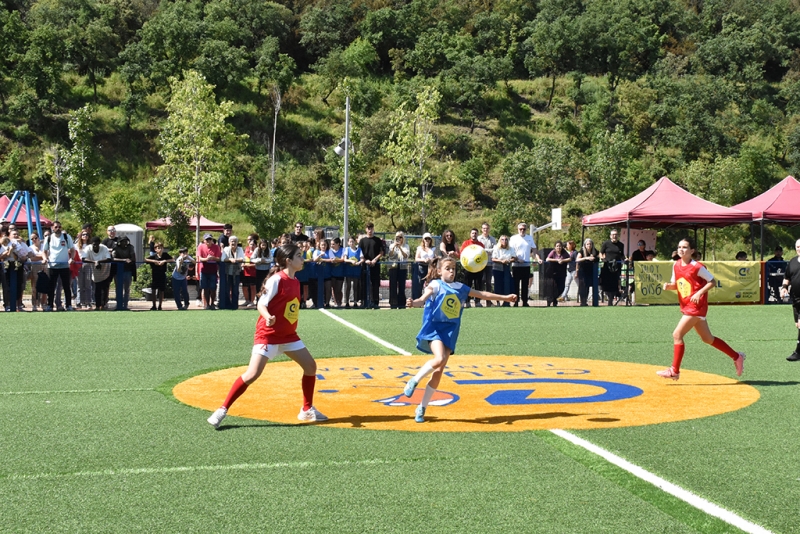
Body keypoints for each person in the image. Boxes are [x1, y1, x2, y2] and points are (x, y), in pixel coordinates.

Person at [207, 244, 328, 429]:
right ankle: (222, 409)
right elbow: (260, 304)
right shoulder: (276, 280)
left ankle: (306, 409)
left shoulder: (295, 281)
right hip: (268, 335)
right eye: (298, 255)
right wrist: (268, 316)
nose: (302, 258)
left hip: (288, 336)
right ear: (288, 260)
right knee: (252, 374)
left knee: (311, 367)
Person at [402, 257, 517, 423]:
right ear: (440, 271)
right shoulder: (435, 284)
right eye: (448, 268)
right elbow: (423, 298)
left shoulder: (460, 288)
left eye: (454, 269)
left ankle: (422, 407)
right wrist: (415, 303)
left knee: (439, 371)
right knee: (439, 358)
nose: (451, 271)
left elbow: (482, 294)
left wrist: (505, 297)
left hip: (450, 332)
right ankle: (414, 380)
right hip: (435, 329)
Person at [657, 238, 746, 380]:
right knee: (707, 339)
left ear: (692, 251)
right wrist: (669, 286)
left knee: (677, 334)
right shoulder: (676, 265)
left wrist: (699, 293)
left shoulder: (697, 266)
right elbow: (677, 284)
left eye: (685, 247)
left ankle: (674, 370)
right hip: (687, 306)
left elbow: (712, 281)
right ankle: (737, 356)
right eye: (679, 246)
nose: (681, 249)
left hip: (696, 308)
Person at [41, 221, 75, 312]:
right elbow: (44, 251)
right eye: (56, 227)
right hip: (52, 266)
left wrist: (71, 258)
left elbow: (72, 250)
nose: (58, 228)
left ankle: (68, 305)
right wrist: (45, 259)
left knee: (66, 287)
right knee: (51, 287)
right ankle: (50, 306)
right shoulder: (48, 238)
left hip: (64, 265)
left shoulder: (67, 237)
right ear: (52, 228)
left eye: (59, 227)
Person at [508, 222, 539, 307]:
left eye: (524, 229)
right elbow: (511, 251)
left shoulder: (529, 238)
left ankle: (525, 301)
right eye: (520, 229)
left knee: (525, 284)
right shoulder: (513, 238)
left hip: (526, 265)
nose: (522, 230)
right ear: (518, 229)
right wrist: (517, 259)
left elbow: (534, 249)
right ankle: (516, 301)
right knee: (516, 285)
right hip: (516, 265)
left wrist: (537, 258)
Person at [780, 239, 800, 361]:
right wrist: (784, 288)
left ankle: (798, 352)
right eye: (798, 246)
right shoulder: (792, 261)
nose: (799, 248)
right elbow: (787, 277)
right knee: (798, 325)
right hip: (796, 300)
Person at [81, 237, 112, 311]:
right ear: (91, 244)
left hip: (105, 269)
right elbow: (83, 258)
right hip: (95, 270)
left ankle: (103, 304)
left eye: (97, 244)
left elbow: (108, 258)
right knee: (97, 289)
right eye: (94, 244)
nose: (95, 246)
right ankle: (98, 305)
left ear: (99, 244)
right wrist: (95, 262)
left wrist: (99, 261)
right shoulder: (88, 248)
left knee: (105, 288)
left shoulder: (104, 248)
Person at [358, 223, 384, 309]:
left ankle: (375, 302)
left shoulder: (377, 240)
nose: (370, 230)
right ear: (366, 229)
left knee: (375, 284)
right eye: (368, 228)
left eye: (371, 228)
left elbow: (381, 252)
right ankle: (364, 302)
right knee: (364, 283)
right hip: (365, 266)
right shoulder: (362, 241)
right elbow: (359, 253)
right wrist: (366, 261)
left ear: (373, 229)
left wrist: (375, 260)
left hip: (375, 265)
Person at [459, 228, 485, 307]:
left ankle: (477, 301)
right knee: (467, 285)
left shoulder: (481, 245)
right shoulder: (466, 243)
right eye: (473, 233)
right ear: (470, 234)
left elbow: (483, 256)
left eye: (476, 233)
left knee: (478, 285)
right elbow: (462, 254)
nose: (474, 234)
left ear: (478, 234)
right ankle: (467, 301)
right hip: (468, 268)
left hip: (478, 268)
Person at [600, 229, 625, 305]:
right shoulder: (606, 243)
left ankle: (612, 298)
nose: (614, 236)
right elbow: (601, 253)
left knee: (615, 283)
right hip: (607, 266)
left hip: (617, 267)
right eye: (613, 234)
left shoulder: (621, 245)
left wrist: (625, 259)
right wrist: (603, 259)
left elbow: (622, 255)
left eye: (616, 234)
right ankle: (609, 298)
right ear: (610, 236)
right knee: (606, 283)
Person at [197, 233, 221, 310]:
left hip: (213, 270)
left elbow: (219, 258)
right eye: (207, 240)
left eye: (210, 239)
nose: (208, 241)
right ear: (204, 240)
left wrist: (213, 258)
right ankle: (207, 304)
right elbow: (200, 258)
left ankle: (212, 303)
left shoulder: (216, 247)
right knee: (205, 288)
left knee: (213, 288)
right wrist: (207, 259)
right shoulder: (200, 247)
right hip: (204, 270)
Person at [145, 241, 172, 310]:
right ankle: (154, 305)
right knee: (153, 290)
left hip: (162, 274)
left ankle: (160, 305)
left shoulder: (165, 255)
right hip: (155, 275)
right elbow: (145, 259)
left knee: (161, 290)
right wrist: (154, 262)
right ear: (155, 249)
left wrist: (164, 261)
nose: (160, 249)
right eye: (158, 248)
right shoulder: (154, 256)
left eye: (161, 248)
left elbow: (172, 259)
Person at [112, 235, 136, 310]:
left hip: (128, 271)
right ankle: (118, 305)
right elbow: (113, 258)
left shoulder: (130, 247)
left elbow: (133, 258)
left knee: (127, 289)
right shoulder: (116, 248)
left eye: (126, 241)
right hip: (118, 271)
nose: (124, 243)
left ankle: (125, 305)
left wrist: (130, 260)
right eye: (122, 241)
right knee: (118, 289)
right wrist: (124, 260)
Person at [387, 231, 410, 309]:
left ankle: (401, 303)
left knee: (402, 285)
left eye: (400, 237)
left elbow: (406, 255)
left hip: (402, 267)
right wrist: (394, 247)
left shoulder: (406, 246)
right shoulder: (391, 245)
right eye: (397, 237)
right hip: (393, 267)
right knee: (393, 285)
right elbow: (390, 255)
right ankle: (393, 303)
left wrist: (400, 247)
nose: (399, 239)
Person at [221, 235, 245, 309]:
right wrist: (230, 259)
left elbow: (243, 258)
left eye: (235, 241)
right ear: (229, 242)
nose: (233, 243)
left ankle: (235, 306)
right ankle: (227, 305)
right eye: (232, 241)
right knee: (227, 290)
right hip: (227, 272)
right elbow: (223, 259)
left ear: (237, 242)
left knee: (235, 290)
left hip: (236, 272)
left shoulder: (240, 249)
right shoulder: (226, 249)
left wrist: (236, 260)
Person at [491, 235, 515, 306]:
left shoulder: (510, 249)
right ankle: (498, 302)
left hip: (506, 268)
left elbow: (514, 257)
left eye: (506, 240)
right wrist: (501, 261)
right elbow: (493, 258)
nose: (504, 241)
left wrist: (508, 260)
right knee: (498, 285)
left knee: (507, 285)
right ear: (500, 240)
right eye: (502, 239)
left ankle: (507, 302)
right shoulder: (496, 248)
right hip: (497, 268)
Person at [545, 240, 570, 307]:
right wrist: (556, 260)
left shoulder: (564, 252)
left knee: (561, 287)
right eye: (557, 246)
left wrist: (563, 260)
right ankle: (550, 302)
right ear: (555, 247)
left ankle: (555, 299)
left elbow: (570, 258)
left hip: (561, 273)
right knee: (552, 288)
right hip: (552, 273)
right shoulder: (553, 252)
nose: (558, 247)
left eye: (560, 246)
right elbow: (547, 259)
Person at [576, 238, 599, 307]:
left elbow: (599, 257)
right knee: (583, 287)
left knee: (588, 286)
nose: (589, 245)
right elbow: (577, 259)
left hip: (591, 271)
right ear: (585, 245)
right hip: (582, 271)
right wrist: (586, 258)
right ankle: (582, 302)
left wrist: (594, 258)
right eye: (587, 244)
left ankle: (588, 301)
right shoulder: (582, 251)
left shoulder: (595, 251)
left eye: (590, 244)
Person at [478, 222, 496, 305]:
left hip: (489, 264)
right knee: (481, 282)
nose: (485, 230)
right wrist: (487, 251)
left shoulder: (493, 239)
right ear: (482, 229)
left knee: (489, 282)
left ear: (489, 229)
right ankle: (478, 301)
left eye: (487, 228)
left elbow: (495, 250)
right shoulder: (478, 239)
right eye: (484, 228)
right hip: (480, 264)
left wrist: (484, 251)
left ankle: (488, 300)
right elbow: (478, 250)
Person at [73, 229, 93, 309]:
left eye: (87, 235)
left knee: (88, 285)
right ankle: (79, 302)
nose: (85, 236)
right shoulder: (76, 245)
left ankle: (88, 302)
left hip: (88, 264)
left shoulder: (90, 245)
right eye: (83, 234)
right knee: (79, 285)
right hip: (79, 264)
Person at [343, 236, 362, 308]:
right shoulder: (347, 249)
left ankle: (355, 302)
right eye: (350, 242)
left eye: (353, 241)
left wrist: (359, 262)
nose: (351, 243)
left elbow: (362, 258)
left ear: (355, 242)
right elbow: (345, 259)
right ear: (348, 243)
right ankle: (347, 302)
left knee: (355, 287)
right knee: (348, 286)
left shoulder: (359, 250)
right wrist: (351, 261)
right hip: (349, 270)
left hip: (356, 270)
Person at [241, 234, 259, 307]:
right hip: (245, 271)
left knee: (252, 287)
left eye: (253, 244)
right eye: (250, 244)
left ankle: (252, 301)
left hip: (253, 272)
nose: (251, 246)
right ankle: (247, 300)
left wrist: (248, 265)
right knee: (244, 286)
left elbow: (257, 263)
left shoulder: (258, 252)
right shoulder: (246, 249)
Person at [329, 237, 345, 308]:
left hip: (340, 272)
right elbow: (330, 259)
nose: (331, 245)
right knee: (334, 288)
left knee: (339, 289)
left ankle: (339, 301)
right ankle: (335, 302)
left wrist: (336, 260)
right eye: (331, 244)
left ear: (338, 244)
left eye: (333, 244)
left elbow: (343, 259)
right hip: (332, 272)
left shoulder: (342, 250)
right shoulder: (330, 251)